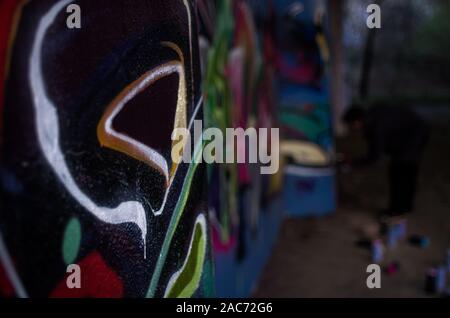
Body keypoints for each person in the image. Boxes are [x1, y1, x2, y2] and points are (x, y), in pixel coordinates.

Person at [343, 104, 430, 217]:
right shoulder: (371, 116)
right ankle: (405, 206)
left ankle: (397, 210)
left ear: (357, 121)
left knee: (401, 171)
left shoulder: (377, 127)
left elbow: (374, 157)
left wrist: (352, 163)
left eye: (351, 125)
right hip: (410, 131)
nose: (351, 129)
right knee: (403, 169)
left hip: (416, 133)